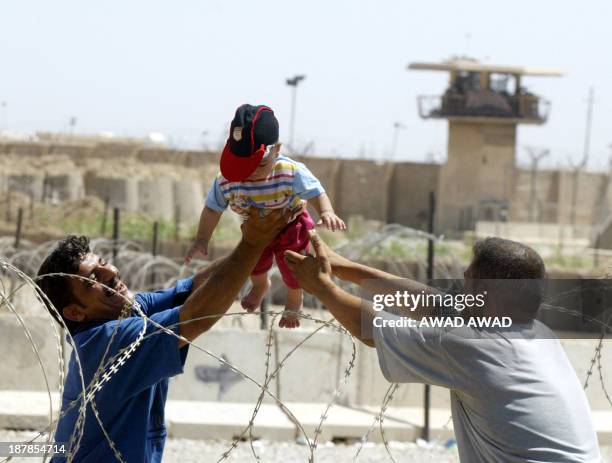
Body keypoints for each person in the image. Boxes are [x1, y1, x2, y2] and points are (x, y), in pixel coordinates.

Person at [285, 232, 602, 463]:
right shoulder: (537, 333)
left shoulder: (471, 346)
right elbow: (436, 306)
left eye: (470, 278)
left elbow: (372, 329)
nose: (462, 282)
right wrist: (346, 268)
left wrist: (322, 288)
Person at [37, 206, 293, 463]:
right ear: (74, 312)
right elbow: (196, 316)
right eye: (93, 278)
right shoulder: (104, 343)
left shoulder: (128, 309)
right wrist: (252, 244)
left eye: (103, 263)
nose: (112, 273)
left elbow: (195, 287)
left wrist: (262, 244)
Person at [185, 104, 345, 328]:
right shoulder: (227, 180)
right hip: (256, 230)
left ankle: (294, 300)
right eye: (242, 166)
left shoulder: (289, 171)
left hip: (291, 225)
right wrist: (202, 239)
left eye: (258, 165)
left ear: (276, 150)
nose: (250, 173)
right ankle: (260, 286)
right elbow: (212, 209)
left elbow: (316, 191)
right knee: (253, 262)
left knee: (293, 266)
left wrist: (327, 211)